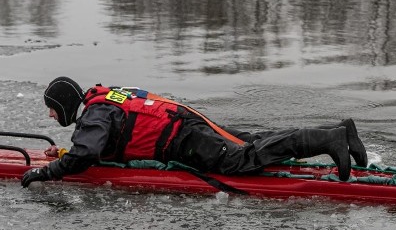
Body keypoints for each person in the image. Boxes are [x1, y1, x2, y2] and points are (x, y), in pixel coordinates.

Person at [21, 77, 367, 188]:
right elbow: (103, 142)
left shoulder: (95, 113)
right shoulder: (103, 99)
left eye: (52, 108)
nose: (51, 116)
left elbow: (87, 153)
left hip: (184, 140)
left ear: (66, 104)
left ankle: (329, 140)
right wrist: (65, 153)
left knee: (242, 161)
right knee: (251, 141)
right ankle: (338, 132)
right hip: (187, 124)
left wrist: (46, 172)